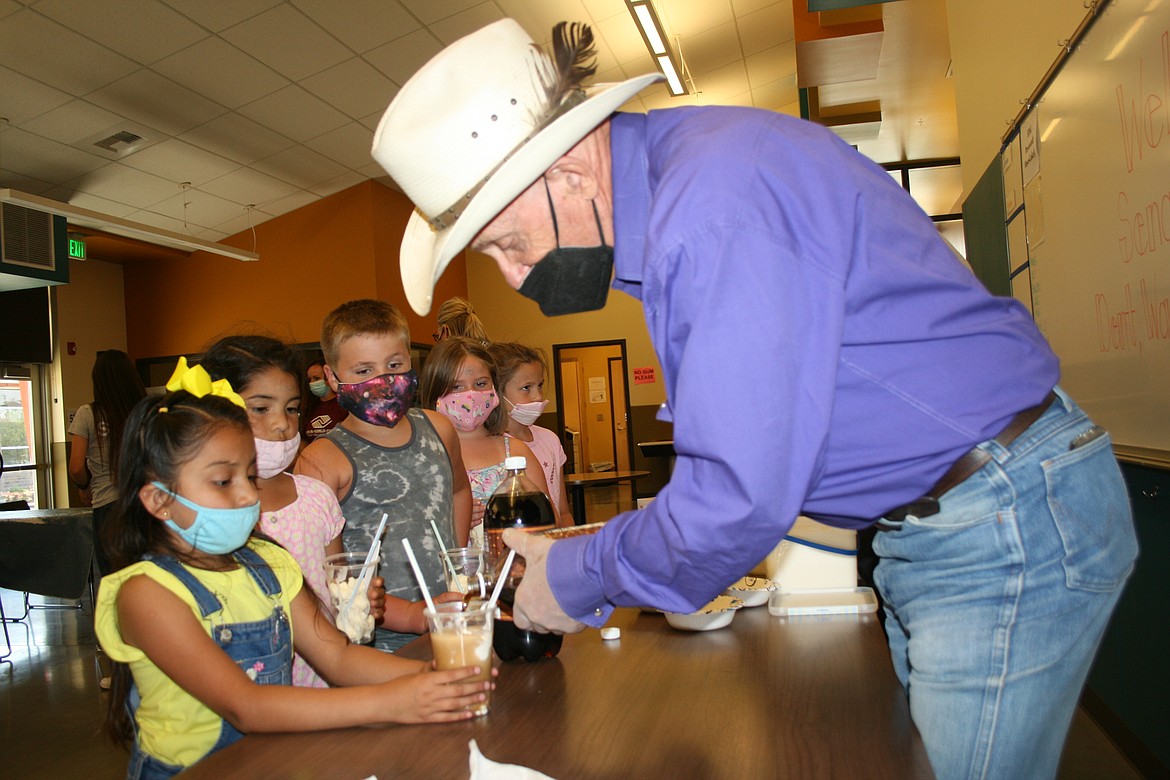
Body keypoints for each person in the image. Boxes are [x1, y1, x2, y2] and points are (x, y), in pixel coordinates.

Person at [370, 19, 1139, 780]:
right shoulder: (701, 181)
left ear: (567, 171)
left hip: (998, 514)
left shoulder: (711, 213)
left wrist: (576, 579)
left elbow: (736, 495)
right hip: (963, 512)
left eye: (507, 241)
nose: (510, 276)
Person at [95, 361, 491, 779]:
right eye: (224, 482)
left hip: (273, 760)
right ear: (158, 501)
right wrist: (395, 700)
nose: (249, 494)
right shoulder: (146, 593)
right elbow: (244, 706)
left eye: (249, 475)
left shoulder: (270, 563)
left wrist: (445, 675)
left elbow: (336, 656)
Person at [200, 335, 381, 689]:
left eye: (292, 408)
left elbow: (337, 580)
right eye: (261, 408)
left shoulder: (316, 497)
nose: (282, 424)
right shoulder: (210, 516)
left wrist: (356, 601)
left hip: (325, 680)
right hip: (248, 690)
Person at [294, 299, 472, 652]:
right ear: (332, 377)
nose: (383, 381)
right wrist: (413, 614)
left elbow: (459, 491)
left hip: (453, 622)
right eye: (363, 371)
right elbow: (324, 575)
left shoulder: (440, 428)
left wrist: (457, 562)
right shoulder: (321, 461)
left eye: (394, 365)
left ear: (410, 359)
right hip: (377, 645)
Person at [419, 337, 558, 549]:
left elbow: (550, 522)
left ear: (495, 389)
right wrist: (450, 517)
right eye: (456, 386)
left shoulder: (516, 452)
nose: (471, 394)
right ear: (435, 390)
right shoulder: (422, 455)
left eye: (480, 384)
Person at [69, 349, 147, 575]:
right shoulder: (144, 410)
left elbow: (76, 467)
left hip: (107, 506)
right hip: (144, 503)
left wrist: (83, 487)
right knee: (146, 575)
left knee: (114, 577)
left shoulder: (87, 413)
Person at [487, 342, 573, 524]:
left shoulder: (550, 440)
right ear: (497, 391)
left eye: (540, 385)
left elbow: (563, 511)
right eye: (527, 387)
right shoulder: (491, 446)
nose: (538, 397)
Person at [303, 359, 347, 440]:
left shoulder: (344, 405)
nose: (312, 383)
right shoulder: (309, 408)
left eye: (316, 378)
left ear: (328, 377)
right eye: (309, 380)